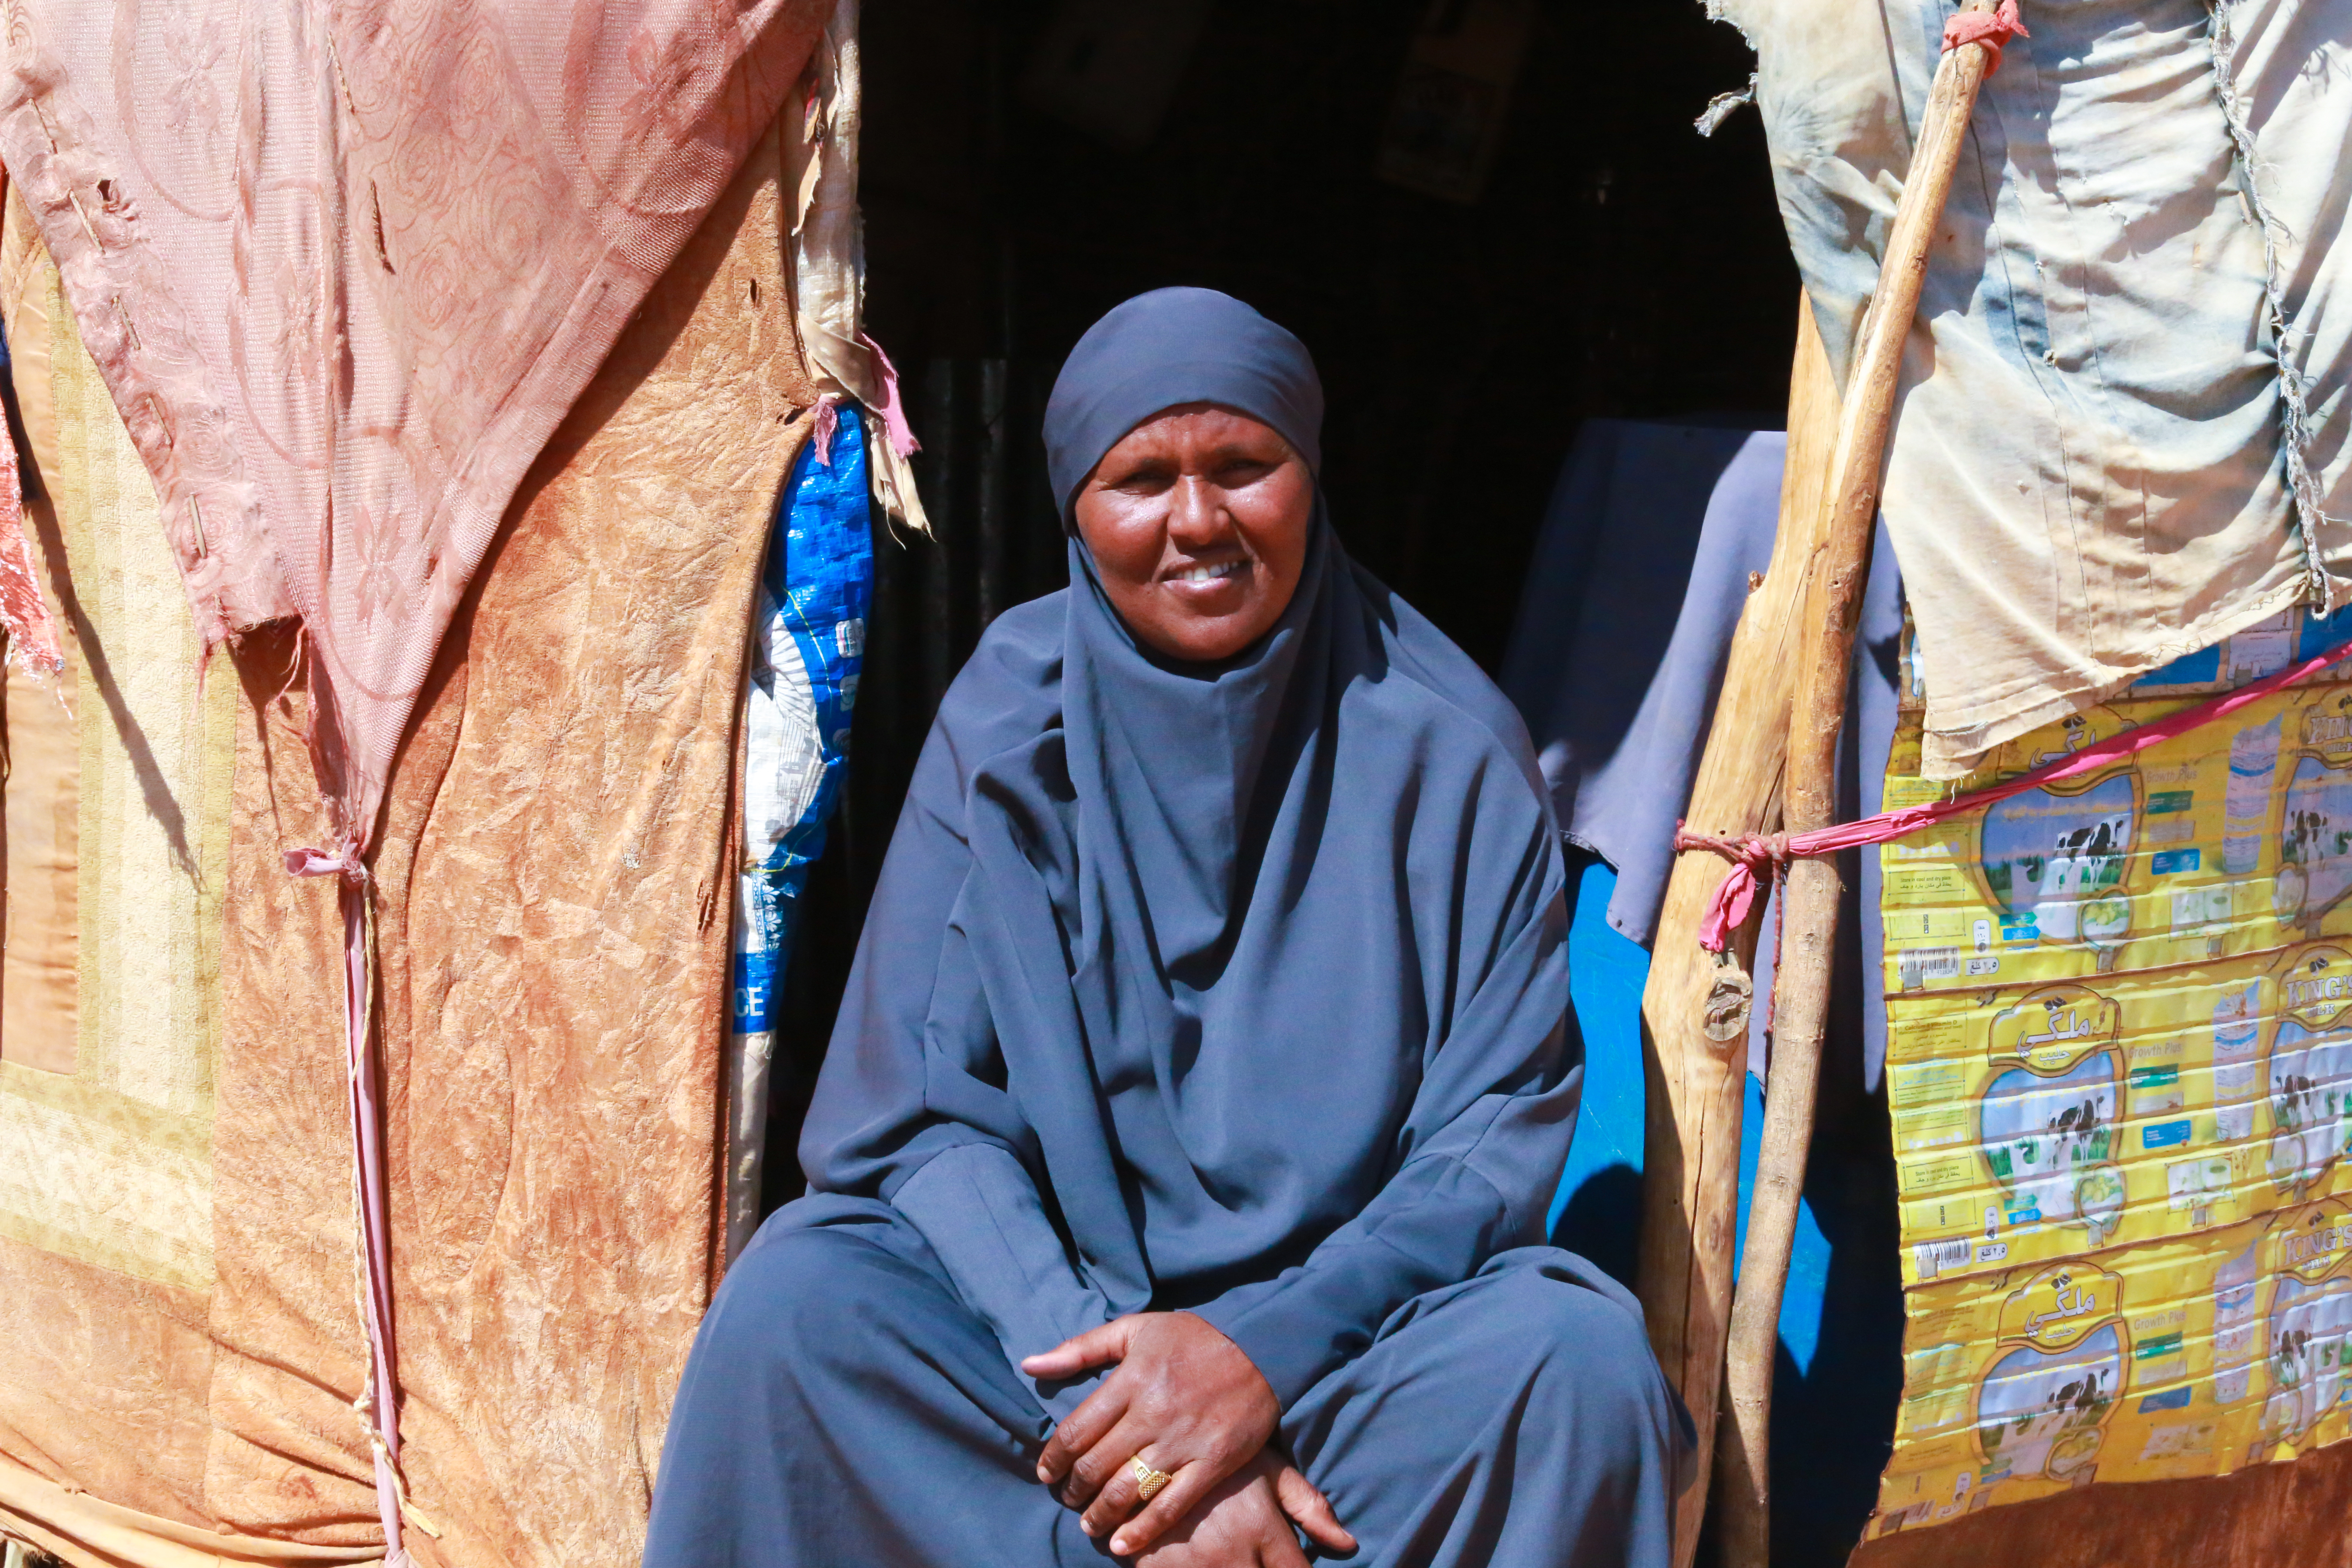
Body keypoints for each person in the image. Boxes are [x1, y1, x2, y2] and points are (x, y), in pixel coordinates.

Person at [644, 288, 1690, 1568]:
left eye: (1245, 467)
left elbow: (1487, 1147)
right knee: (799, 1308)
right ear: (1075, 511)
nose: (1200, 523)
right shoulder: (1006, 730)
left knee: (1571, 1364)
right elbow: (910, 1117)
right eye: (1143, 480)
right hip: (1053, 1346)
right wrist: (1136, 1425)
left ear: (1310, 475)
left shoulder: (1452, 751)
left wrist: (1256, 1359)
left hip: (1344, 1353)